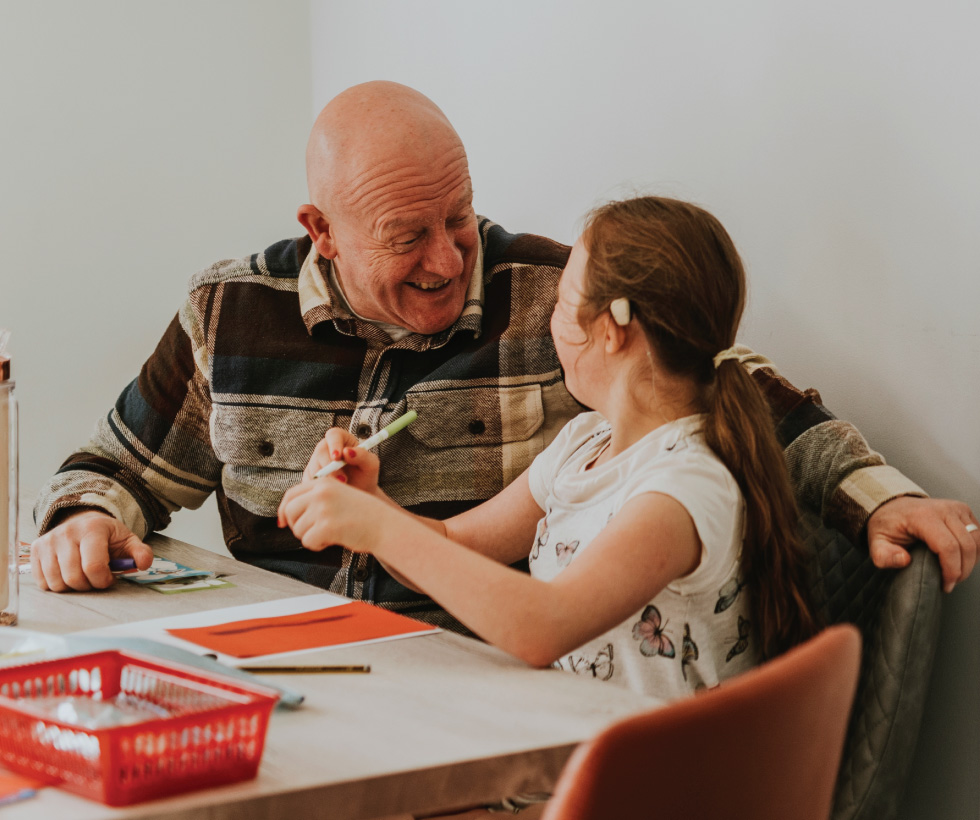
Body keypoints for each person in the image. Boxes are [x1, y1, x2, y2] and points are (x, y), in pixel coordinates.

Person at [31, 81, 978, 620]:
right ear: (321, 230)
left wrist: (875, 491)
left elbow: (731, 387)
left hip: (485, 691)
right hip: (292, 672)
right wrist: (81, 518)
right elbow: (113, 468)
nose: (449, 260)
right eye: (408, 236)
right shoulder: (229, 310)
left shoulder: (556, 299)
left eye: (460, 214)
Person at [280, 195, 820, 693]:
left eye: (562, 304)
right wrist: (372, 502)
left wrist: (378, 528)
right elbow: (453, 544)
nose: (552, 323)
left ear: (611, 331)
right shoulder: (583, 445)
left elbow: (544, 626)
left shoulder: (683, 488)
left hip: (641, 783)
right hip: (561, 747)